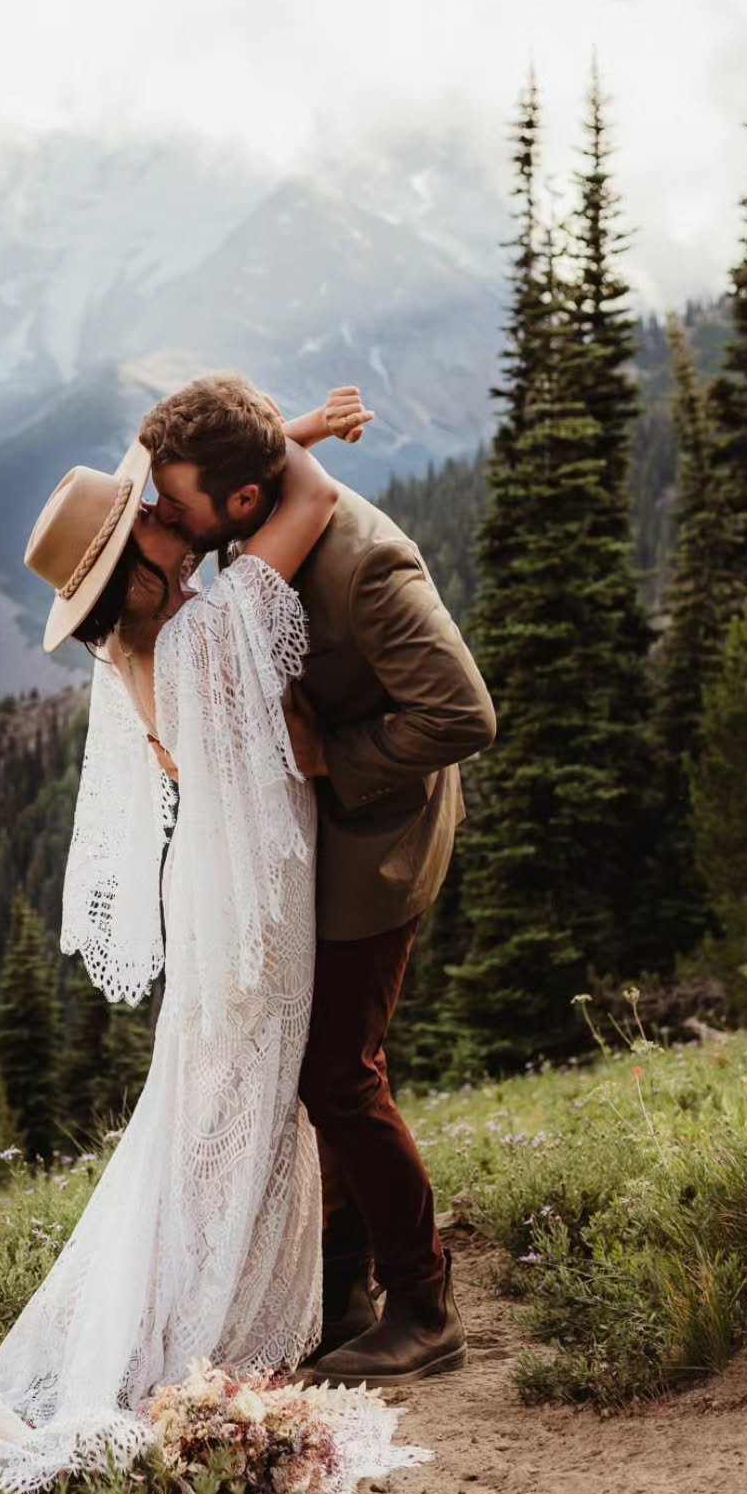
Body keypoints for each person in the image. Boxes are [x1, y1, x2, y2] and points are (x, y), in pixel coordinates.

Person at [0, 385, 431, 1494]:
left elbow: (192, 491)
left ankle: (266, 1291)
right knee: (266, 1100)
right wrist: (283, 445)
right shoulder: (210, 630)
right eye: (148, 519)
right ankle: (254, 1312)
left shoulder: (135, 645)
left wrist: (274, 435)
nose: (161, 510)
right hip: (263, 907)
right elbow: (312, 500)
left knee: (217, 1106)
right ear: (139, 570)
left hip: (218, 894)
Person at [139, 373, 496, 1386]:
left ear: (245, 499)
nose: (166, 515)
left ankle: (425, 1308)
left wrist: (330, 756)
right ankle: (344, 1293)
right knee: (312, 1063)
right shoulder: (243, 511)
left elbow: (463, 716)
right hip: (311, 829)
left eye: (179, 503)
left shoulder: (367, 567)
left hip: (378, 835)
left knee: (340, 1073)